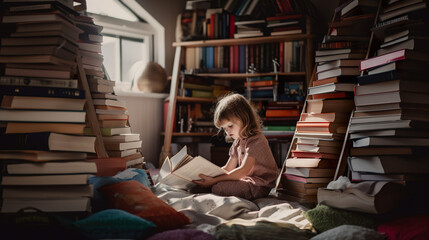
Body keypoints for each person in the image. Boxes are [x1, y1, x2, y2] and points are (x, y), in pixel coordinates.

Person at [193, 93, 279, 200]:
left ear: (244, 119)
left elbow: (243, 171)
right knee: (203, 185)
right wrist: (208, 176)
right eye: (224, 128)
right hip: (247, 180)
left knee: (218, 188)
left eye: (230, 126)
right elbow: (228, 168)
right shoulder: (238, 141)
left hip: (259, 185)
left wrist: (214, 181)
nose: (227, 131)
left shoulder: (257, 140)